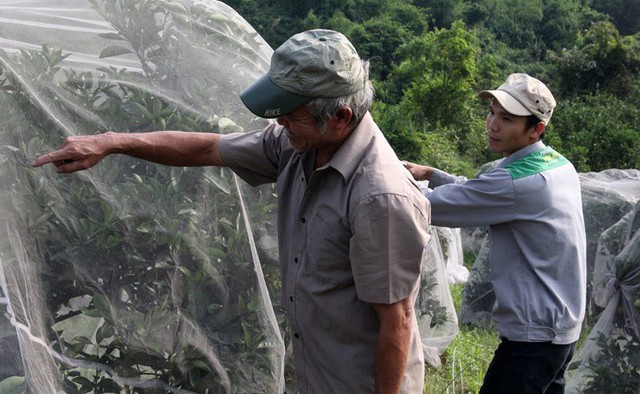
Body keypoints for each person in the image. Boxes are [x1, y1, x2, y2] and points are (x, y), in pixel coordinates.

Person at [33, 29, 431, 394]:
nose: (279, 122)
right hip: (319, 374)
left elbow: (396, 322)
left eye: (291, 113)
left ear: (340, 117)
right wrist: (112, 141)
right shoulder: (298, 145)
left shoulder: (379, 198)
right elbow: (208, 148)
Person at [404, 73, 586, 394]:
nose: (492, 124)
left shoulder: (517, 183)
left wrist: (382, 186)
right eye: (491, 112)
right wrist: (432, 174)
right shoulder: (556, 164)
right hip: (562, 327)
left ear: (536, 129)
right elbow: (483, 191)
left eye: (507, 118)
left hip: (533, 340)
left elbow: (426, 208)